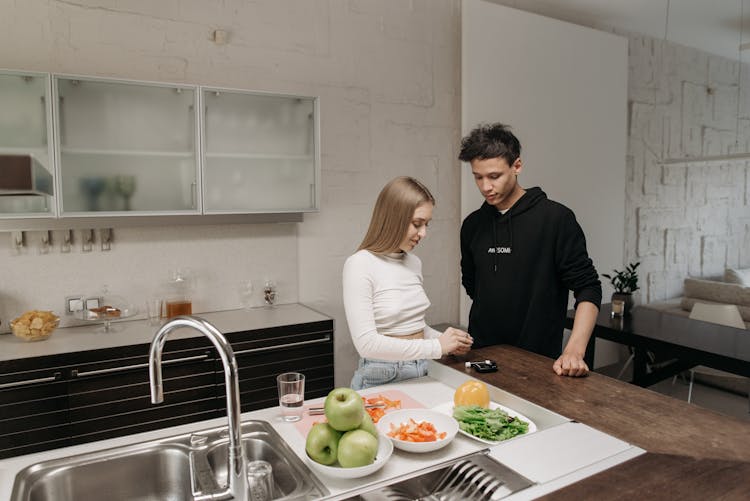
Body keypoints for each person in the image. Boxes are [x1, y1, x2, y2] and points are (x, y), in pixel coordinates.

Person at [458, 123, 601, 377]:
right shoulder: (472, 225)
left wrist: (574, 351)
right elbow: (473, 285)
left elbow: (588, 287)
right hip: (482, 357)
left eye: (494, 176)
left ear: (517, 166)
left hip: (539, 361)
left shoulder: (556, 219)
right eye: (477, 177)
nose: (485, 187)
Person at [344, 176, 473, 390]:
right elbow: (366, 344)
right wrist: (436, 346)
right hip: (381, 375)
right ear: (393, 218)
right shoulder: (360, 264)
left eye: (426, 224)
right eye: (417, 224)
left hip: (421, 369)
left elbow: (412, 327)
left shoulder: (414, 263)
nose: (423, 233)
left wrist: (447, 342)